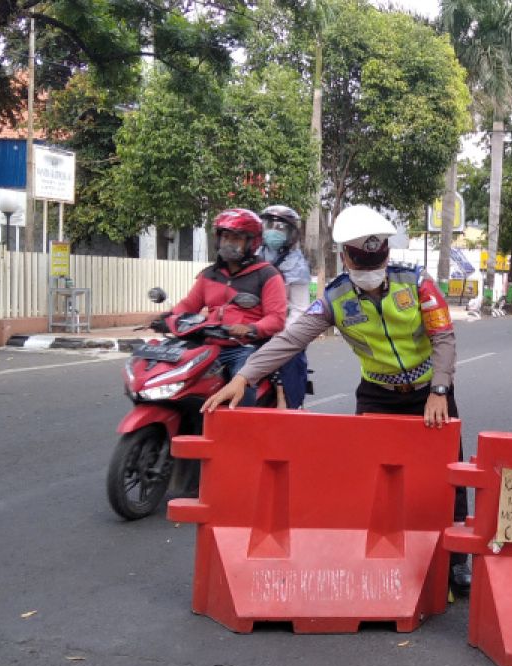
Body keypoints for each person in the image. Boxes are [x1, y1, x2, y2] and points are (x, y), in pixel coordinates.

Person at [202, 204, 472, 593]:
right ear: (345, 257)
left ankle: (457, 561)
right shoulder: (335, 298)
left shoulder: (417, 284)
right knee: (372, 479)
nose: (368, 266)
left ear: (388, 255)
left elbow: (443, 338)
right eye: (360, 259)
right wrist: (244, 376)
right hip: (377, 396)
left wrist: (439, 390)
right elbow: (291, 339)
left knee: (448, 478)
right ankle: (376, 556)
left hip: (430, 394)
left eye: (374, 258)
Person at [168, 208, 287, 407]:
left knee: (241, 383)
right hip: (209, 345)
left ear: (252, 242)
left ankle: (242, 427)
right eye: (225, 237)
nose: (229, 243)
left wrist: (251, 329)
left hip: (245, 347)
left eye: (236, 238)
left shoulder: (267, 275)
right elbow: (189, 305)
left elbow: (276, 318)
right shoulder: (210, 274)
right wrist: (168, 317)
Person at [258, 204, 310, 409]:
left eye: (280, 227)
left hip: (284, 328)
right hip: (252, 325)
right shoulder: (253, 256)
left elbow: (300, 308)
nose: (273, 231)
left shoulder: (297, 266)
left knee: (291, 358)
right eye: (270, 225)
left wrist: (281, 334)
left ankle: (290, 406)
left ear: (291, 233)